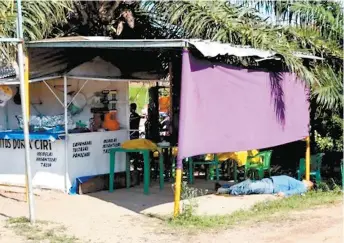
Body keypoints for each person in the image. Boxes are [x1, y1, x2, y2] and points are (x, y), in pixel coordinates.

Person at [217, 175, 313, 197]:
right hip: (270, 181)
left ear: (308, 185)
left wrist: (284, 193)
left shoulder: (302, 186)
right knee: (248, 183)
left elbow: (296, 191)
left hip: (272, 186)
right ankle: (227, 187)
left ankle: (229, 191)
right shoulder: (298, 182)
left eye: (308, 181)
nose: (305, 179)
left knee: (251, 187)